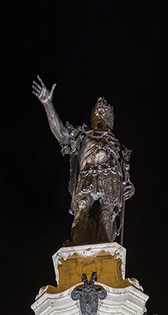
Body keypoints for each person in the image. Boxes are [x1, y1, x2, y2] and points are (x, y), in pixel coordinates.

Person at [32, 76, 134, 244]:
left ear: (111, 120)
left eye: (105, 113)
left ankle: (104, 252)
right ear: (92, 117)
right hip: (87, 175)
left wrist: (130, 187)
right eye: (98, 112)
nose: (101, 114)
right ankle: (77, 249)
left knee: (105, 215)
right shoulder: (84, 135)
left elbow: (126, 177)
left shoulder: (119, 147)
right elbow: (63, 136)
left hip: (110, 178)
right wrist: (48, 105)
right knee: (81, 211)